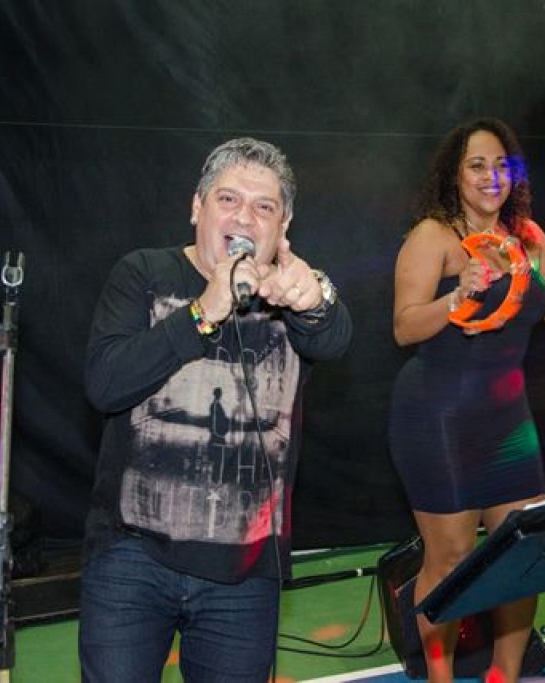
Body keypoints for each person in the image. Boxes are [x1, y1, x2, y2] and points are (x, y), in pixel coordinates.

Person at [78, 137, 352, 683]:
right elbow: (106, 384)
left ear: (283, 224)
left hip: (245, 572)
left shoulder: (290, 293)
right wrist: (203, 311)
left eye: (264, 206)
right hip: (133, 558)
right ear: (197, 207)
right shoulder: (143, 273)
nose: (244, 217)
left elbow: (334, 339)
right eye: (228, 199)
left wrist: (317, 297)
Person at [388, 118, 545, 683]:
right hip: (438, 416)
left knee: (523, 552)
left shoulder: (530, 237)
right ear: (454, 174)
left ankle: (503, 676)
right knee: (449, 558)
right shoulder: (433, 237)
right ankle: (440, 679)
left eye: (502, 165)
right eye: (477, 165)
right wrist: (455, 297)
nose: (492, 177)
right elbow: (405, 327)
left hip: (509, 419)